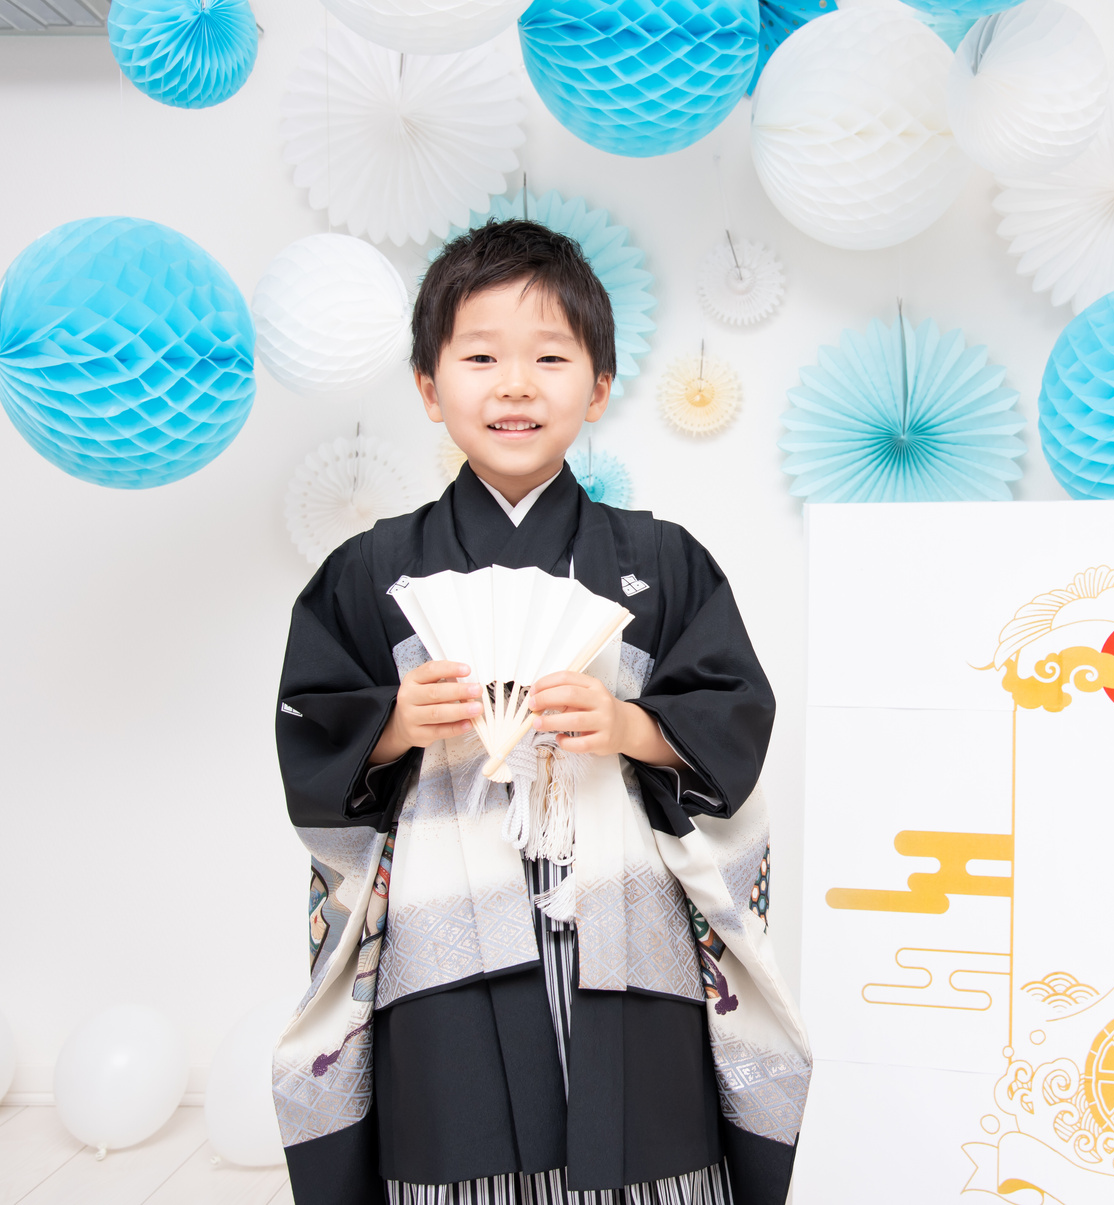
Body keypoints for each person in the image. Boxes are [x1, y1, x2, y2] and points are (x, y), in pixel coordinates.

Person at [270, 221, 809, 1205]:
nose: (515, 385)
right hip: (445, 926)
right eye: (480, 357)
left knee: (648, 1147)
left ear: (598, 387)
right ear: (430, 389)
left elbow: (732, 715)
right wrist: (396, 722)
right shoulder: (371, 572)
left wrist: (628, 725)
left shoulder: (664, 558)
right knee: (458, 1141)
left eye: (550, 357)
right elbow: (312, 729)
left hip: (622, 908)